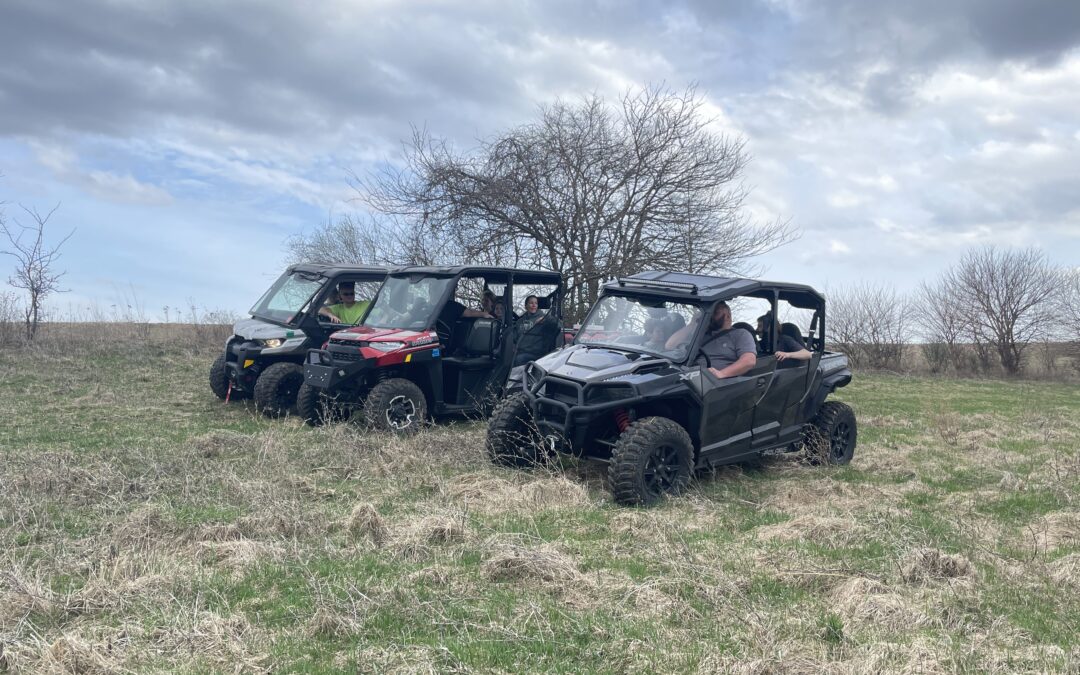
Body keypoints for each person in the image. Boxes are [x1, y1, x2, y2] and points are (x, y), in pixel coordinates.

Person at [666, 301, 756, 378]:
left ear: (728, 316)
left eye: (716, 313)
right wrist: (692, 323)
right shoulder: (700, 334)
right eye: (710, 313)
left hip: (715, 384)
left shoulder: (740, 334)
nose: (711, 317)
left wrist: (721, 374)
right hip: (685, 375)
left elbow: (749, 361)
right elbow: (669, 346)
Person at [513, 295, 558, 366]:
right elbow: (514, 338)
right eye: (531, 303)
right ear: (526, 306)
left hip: (536, 354)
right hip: (520, 351)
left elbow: (556, 323)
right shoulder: (520, 321)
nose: (534, 305)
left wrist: (545, 319)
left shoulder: (544, 318)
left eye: (536, 303)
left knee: (519, 359)